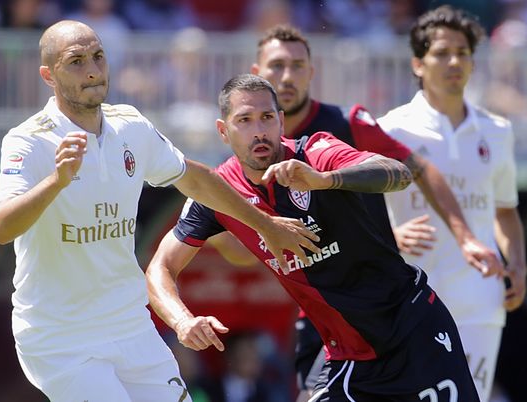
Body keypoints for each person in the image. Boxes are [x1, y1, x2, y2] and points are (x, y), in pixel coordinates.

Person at [0, 21, 320, 402]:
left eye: (97, 57)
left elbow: (193, 178)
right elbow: (2, 227)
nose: (93, 70)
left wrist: (266, 225)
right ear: (49, 75)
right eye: (76, 61)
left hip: (130, 325)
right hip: (61, 338)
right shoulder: (29, 140)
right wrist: (56, 182)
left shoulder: (130, 125)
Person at [207, 23, 503, 400]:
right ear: (257, 72)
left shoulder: (343, 125)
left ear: (312, 74)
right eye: (276, 66)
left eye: (298, 66)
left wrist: (466, 238)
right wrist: (264, 231)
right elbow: (240, 252)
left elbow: (414, 170)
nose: (287, 76)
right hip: (320, 316)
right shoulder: (235, 167)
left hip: (383, 302)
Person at [147, 73, 481, 401]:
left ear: (281, 121)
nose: (259, 131)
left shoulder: (317, 153)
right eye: (244, 120)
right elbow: (160, 267)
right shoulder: (218, 194)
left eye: (266, 118)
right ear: (223, 131)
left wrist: (325, 180)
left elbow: (399, 173)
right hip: (349, 359)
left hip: (413, 329)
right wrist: (181, 322)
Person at [377, 6, 527, 401]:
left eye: (462, 52)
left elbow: (505, 210)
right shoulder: (390, 128)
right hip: (410, 292)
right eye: (442, 53)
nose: (454, 62)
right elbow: (358, 206)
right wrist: (391, 234)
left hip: (479, 294)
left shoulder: (497, 131)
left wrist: (519, 264)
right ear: (418, 63)